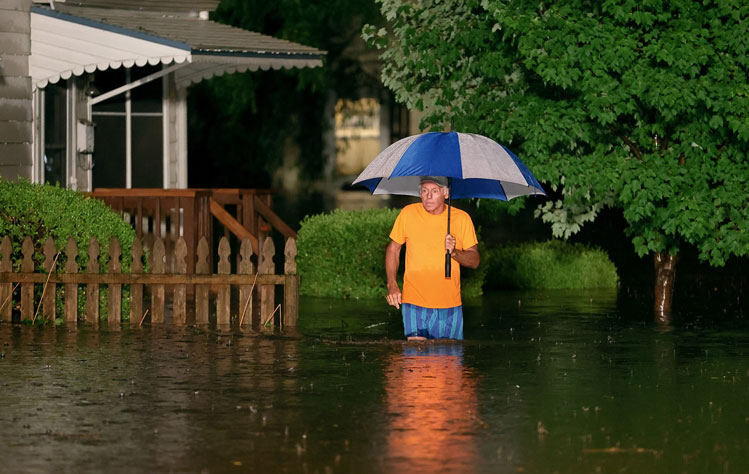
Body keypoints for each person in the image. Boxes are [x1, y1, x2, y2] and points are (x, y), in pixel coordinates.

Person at [385, 176, 479, 340]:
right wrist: (392, 284)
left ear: (446, 193)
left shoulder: (462, 219)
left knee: (449, 362)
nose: (428, 196)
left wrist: (455, 252)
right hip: (415, 302)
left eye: (434, 191)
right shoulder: (408, 213)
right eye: (424, 191)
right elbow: (393, 249)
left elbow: (475, 261)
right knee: (416, 358)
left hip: (450, 304)